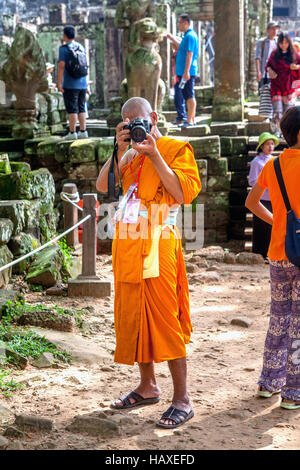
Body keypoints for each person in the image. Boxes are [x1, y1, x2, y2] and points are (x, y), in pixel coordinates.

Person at [96, 97, 201, 428]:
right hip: (128, 243)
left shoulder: (174, 148)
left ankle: (182, 398)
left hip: (158, 240)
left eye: (137, 120)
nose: (133, 127)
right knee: (135, 315)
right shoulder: (127, 155)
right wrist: (117, 147)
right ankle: (147, 386)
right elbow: (103, 187)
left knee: (164, 316)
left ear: (153, 117)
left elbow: (183, 194)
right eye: (126, 123)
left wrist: (153, 153)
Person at [245, 106, 300, 410]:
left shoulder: (274, 165)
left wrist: (279, 222)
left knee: (279, 318)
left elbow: (251, 201)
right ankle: (293, 393)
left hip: (278, 254)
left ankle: (269, 383)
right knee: (299, 324)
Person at [248, 132, 279, 260]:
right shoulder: (256, 162)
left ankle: (269, 253)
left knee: (272, 228)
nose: (270, 147)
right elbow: (252, 181)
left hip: (273, 199)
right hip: (261, 200)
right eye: (267, 144)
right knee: (261, 227)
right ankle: (258, 254)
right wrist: (266, 185)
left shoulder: (274, 160)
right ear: (261, 146)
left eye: (272, 144)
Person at [166, 14, 199, 127]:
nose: (178, 25)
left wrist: (186, 71)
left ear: (186, 23)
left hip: (187, 72)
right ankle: (191, 119)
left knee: (189, 96)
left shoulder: (190, 36)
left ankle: (190, 120)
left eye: (180, 22)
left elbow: (190, 54)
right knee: (187, 95)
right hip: (182, 71)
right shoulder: (187, 36)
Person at [266, 32, 300, 137]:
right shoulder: (274, 53)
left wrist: (296, 68)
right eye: (281, 43)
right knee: (277, 111)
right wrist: (270, 70)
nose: (284, 45)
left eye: (286, 42)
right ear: (278, 43)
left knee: (288, 113)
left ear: (289, 43)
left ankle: (286, 133)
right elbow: (268, 65)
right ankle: (276, 132)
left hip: (289, 87)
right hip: (276, 86)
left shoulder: (294, 54)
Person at [57, 25, 88, 140]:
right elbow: (85, 65)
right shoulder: (80, 47)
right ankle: (83, 131)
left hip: (70, 84)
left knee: (72, 108)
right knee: (81, 107)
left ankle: (72, 132)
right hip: (83, 83)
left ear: (64, 35)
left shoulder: (63, 49)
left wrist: (59, 83)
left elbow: (61, 66)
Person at [255, 21, 279, 120]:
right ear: (268, 30)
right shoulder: (262, 42)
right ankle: (266, 114)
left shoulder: (278, 42)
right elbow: (257, 57)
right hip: (265, 73)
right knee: (265, 93)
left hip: (276, 74)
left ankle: (274, 114)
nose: (275, 31)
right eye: (273, 29)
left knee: (276, 93)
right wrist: (258, 71)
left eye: (276, 29)